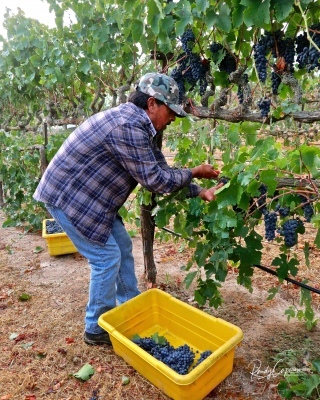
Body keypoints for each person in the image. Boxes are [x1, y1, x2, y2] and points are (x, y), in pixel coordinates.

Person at [33, 72, 222, 346]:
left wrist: (199, 190)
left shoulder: (141, 127)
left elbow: (160, 170)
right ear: (152, 104)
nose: (172, 120)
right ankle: (96, 328)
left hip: (92, 200)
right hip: (70, 198)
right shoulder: (128, 127)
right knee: (106, 257)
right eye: (171, 111)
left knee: (122, 245)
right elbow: (156, 181)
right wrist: (194, 172)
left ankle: (131, 309)